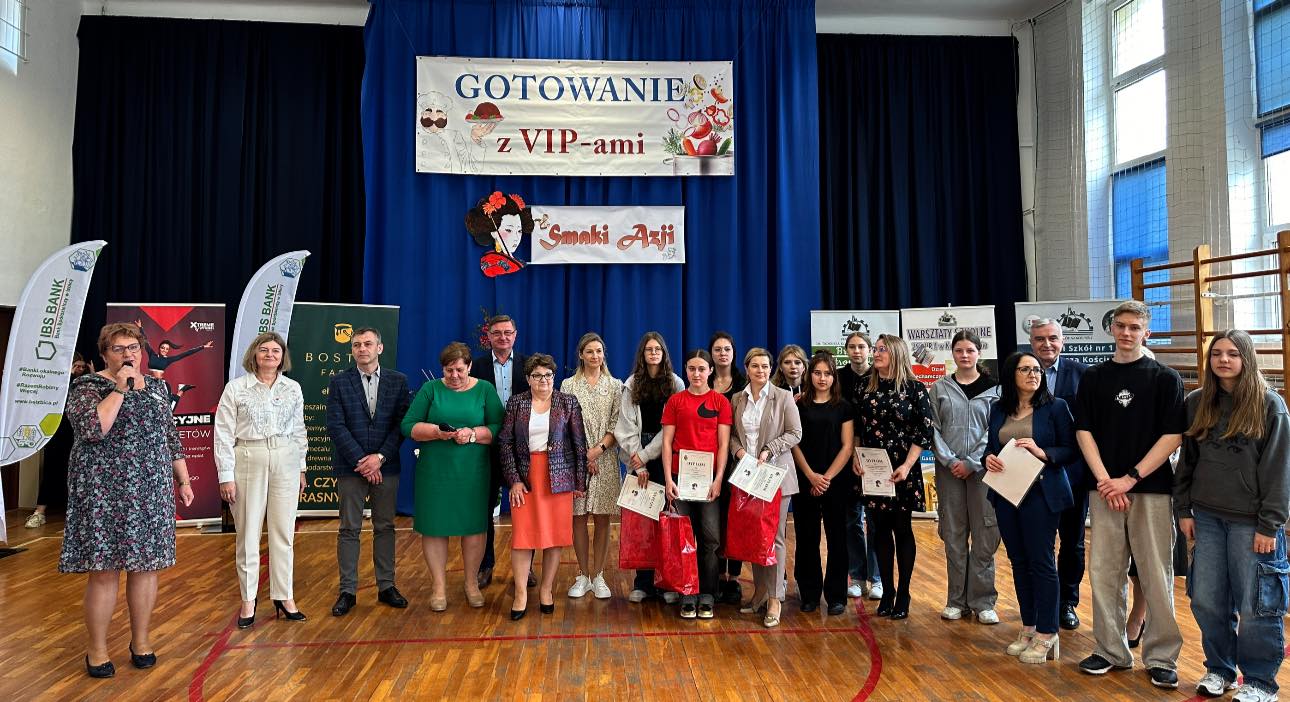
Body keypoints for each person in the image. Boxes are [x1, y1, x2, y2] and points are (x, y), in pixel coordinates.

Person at [60, 324, 194, 678]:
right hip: (102, 491)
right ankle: (97, 650)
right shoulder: (86, 386)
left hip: (150, 488)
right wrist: (120, 388)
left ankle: (141, 641)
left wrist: (183, 479)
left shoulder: (158, 387)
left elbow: (169, 435)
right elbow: (93, 429)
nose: (127, 354)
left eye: (133, 347)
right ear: (104, 354)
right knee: (104, 571)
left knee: (146, 568)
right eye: (118, 349)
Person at [1074, 301, 1186, 689]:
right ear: (1112, 329)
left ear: (1146, 333)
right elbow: (1084, 432)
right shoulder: (1094, 377)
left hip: (1151, 490)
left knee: (1156, 573)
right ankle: (1110, 651)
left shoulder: (1165, 378)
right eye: (1121, 325)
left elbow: (1172, 436)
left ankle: (1161, 656)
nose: (1126, 332)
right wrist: (1107, 480)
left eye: (1134, 327)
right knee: (1104, 572)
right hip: (1104, 490)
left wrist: (1129, 479)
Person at [1176, 330, 1290, 702]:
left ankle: (1260, 682)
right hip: (1207, 518)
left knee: (1256, 605)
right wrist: (1183, 508)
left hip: (1253, 523)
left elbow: (1279, 470)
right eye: (1217, 354)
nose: (1223, 360)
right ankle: (1219, 669)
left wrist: (1270, 524)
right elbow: (1187, 462)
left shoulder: (1269, 405)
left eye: (1233, 354)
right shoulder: (1197, 402)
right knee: (1206, 599)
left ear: (1247, 358)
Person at [983, 352, 1077, 665]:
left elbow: (1070, 450)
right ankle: (1029, 627)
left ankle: (1048, 632)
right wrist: (987, 458)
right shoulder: (999, 409)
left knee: (1041, 561)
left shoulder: (1056, 407)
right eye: (1025, 369)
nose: (1033, 374)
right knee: (1019, 561)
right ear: (1012, 374)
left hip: (1041, 494)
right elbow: (991, 446)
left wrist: (1042, 451)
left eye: (1036, 369)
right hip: (1006, 492)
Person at [214, 332, 309, 628]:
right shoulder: (236, 388)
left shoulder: (293, 388)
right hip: (248, 457)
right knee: (248, 535)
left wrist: (301, 467)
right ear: (254, 355)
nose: (270, 355)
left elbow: (299, 429)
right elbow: (223, 434)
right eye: (264, 350)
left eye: (276, 351)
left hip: (286, 458)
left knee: (284, 534)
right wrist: (225, 476)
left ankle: (284, 596)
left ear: (283, 356)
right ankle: (248, 600)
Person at [402, 342, 505, 612]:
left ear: (469, 366)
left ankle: (471, 584)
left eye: (459, 369)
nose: (454, 376)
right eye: (449, 371)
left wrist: (473, 434)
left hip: (473, 472)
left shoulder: (485, 389)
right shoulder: (430, 389)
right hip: (435, 472)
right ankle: (438, 587)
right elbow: (408, 425)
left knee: (474, 527)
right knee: (434, 527)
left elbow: (499, 426)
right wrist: (437, 432)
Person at [325, 327, 412, 616]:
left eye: (368, 343)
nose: (362, 348)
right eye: (357, 345)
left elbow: (401, 424)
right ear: (352, 350)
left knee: (385, 527)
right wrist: (363, 461)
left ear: (379, 348)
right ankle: (347, 591)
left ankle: (386, 586)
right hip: (351, 467)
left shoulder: (398, 381)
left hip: (387, 466)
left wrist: (380, 458)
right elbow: (335, 425)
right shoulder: (339, 382)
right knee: (349, 528)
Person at [500, 354, 589, 619]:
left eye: (548, 375)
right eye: (537, 375)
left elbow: (579, 444)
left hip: (558, 478)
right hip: (525, 479)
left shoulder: (568, 402)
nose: (543, 380)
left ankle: (546, 590)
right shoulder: (516, 403)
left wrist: (579, 482)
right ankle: (520, 594)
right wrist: (514, 480)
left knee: (553, 537)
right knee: (522, 538)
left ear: (554, 376)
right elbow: (505, 443)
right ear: (528, 379)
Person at [853, 334, 934, 620]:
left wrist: (908, 465)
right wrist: (856, 456)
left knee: (902, 529)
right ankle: (887, 591)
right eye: (875, 349)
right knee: (879, 530)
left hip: (902, 470)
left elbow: (924, 431)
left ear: (897, 353)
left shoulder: (914, 388)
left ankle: (904, 593)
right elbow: (857, 427)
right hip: (872, 469)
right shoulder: (864, 386)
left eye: (882, 350)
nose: (876, 354)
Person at [929, 331, 1001, 624]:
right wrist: (950, 461)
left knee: (985, 534)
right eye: (959, 350)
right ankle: (956, 600)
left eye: (970, 350)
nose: (964, 355)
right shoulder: (940, 388)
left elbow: (995, 430)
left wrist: (972, 462)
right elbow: (932, 428)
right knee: (953, 535)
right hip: (949, 472)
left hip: (984, 471)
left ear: (979, 353)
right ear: (953, 354)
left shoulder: (995, 390)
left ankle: (983, 602)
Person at [730, 347, 803, 627]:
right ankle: (760, 592)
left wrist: (769, 449)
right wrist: (739, 453)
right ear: (747, 369)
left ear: (771, 369)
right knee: (755, 537)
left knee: (775, 538)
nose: (760, 370)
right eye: (755, 366)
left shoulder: (783, 397)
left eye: (765, 366)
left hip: (776, 477)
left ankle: (775, 598)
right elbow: (733, 435)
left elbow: (795, 433)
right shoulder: (738, 398)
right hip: (748, 477)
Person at [1028, 318, 1090, 630]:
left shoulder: (1083, 375)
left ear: (1062, 341)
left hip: (1071, 475)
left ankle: (1067, 602)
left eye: (1052, 338)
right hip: (1029, 475)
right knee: (1037, 543)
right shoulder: (1021, 372)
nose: (1046, 344)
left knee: (1072, 542)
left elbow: (1089, 426)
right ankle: (1040, 603)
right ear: (1031, 342)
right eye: (1040, 339)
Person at [661, 349, 733, 620]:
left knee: (710, 540)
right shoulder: (675, 401)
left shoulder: (720, 402)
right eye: (692, 369)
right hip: (680, 479)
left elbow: (723, 445)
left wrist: (718, 479)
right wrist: (668, 479)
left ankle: (708, 595)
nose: (697, 373)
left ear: (710, 371)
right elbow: (666, 442)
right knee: (683, 540)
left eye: (702, 368)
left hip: (709, 482)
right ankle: (687, 595)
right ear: (686, 370)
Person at [615, 332, 684, 603]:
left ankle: (667, 583)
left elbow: (672, 426)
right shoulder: (632, 384)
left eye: (658, 349)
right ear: (642, 354)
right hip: (637, 457)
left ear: (664, 353)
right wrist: (638, 461)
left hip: (665, 453)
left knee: (666, 519)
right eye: (649, 349)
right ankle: (643, 582)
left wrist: (646, 455)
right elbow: (625, 425)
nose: (653, 353)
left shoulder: (675, 383)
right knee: (642, 522)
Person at [470, 315, 533, 589]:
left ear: (515, 335)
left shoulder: (529, 366)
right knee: (483, 510)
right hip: (486, 448)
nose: (503, 337)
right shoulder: (476, 366)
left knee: (525, 512)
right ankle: (485, 565)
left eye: (508, 332)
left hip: (522, 450)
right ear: (489, 336)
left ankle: (527, 568)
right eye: (497, 333)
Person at [790, 351, 854, 617]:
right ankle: (809, 594)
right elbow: (793, 443)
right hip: (806, 480)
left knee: (838, 539)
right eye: (817, 373)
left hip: (835, 482)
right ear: (810, 375)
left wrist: (826, 478)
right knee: (807, 538)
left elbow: (847, 446)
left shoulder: (844, 407)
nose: (822, 378)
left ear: (834, 377)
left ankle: (836, 595)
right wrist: (811, 476)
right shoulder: (799, 405)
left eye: (828, 373)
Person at [561, 333, 623, 600]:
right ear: (581, 355)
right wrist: (583, 456)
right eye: (589, 351)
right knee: (578, 517)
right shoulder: (568, 385)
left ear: (603, 354)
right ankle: (583, 574)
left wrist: (597, 451)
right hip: (576, 460)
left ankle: (598, 575)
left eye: (599, 351)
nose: (595, 356)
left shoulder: (615, 385)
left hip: (605, 458)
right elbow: (563, 424)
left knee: (602, 518)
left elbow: (617, 424)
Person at [838, 332, 882, 601]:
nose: (857, 351)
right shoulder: (839, 377)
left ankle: (877, 578)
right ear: (846, 350)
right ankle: (856, 576)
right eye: (852, 347)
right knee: (852, 519)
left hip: (875, 456)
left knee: (875, 520)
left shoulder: (879, 375)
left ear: (869, 349)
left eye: (861, 346)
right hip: (846, 455)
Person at [26, 353, 92, 528]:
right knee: (51, 470)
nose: (80, 370)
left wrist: (91, 374)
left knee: (79, 473)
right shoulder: (58, 383)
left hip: (78, 434)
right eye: (76, 366)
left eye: (82, 367)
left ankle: (79, 516)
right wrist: (68, 374)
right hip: (58, 432)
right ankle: (39, 512)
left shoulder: (85, 384)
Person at [710, 331, 748, 604]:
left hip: (736, 457)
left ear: (733, 353)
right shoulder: (703, 380)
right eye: (717, 349)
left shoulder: (744, 384)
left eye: (727, 349)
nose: (722, 353)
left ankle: (733, 578)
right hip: (706, 459)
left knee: (735, 518)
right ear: (711, 354)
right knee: (713, 519)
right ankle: (715, 575)